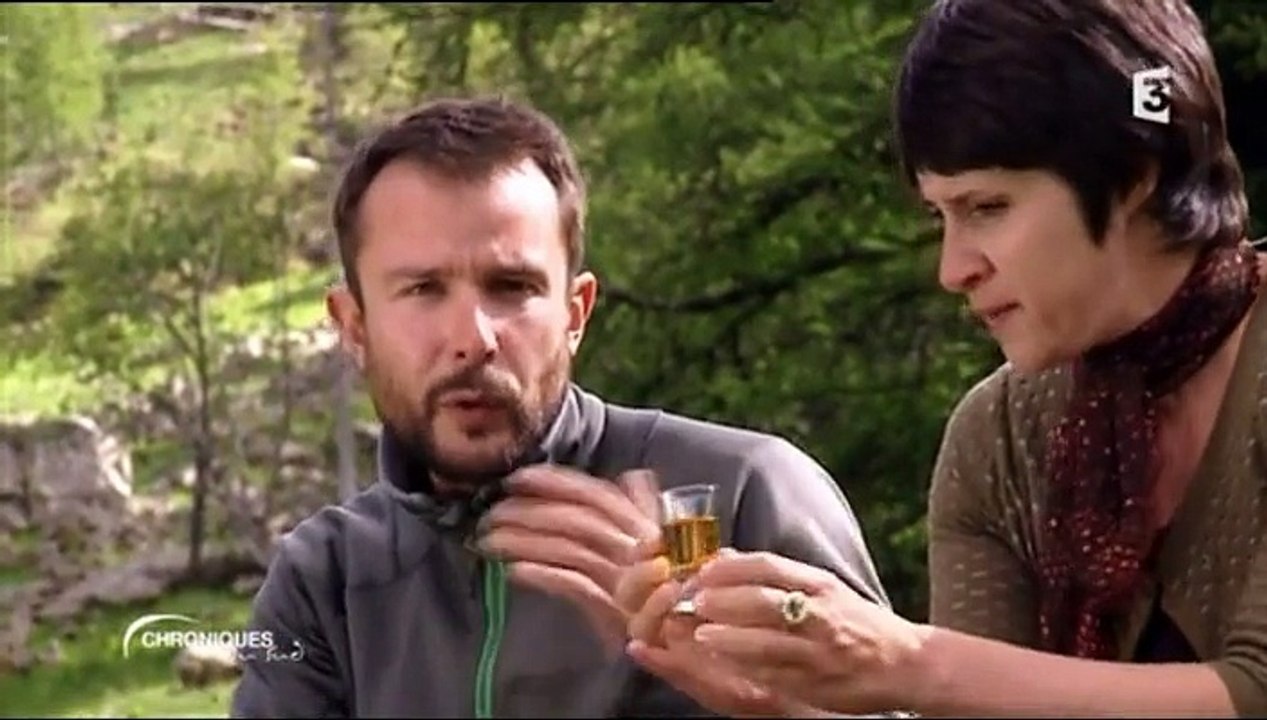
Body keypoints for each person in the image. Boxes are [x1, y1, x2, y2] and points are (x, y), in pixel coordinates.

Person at [614, 0, 1267, 717]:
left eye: (986, 207)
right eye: (939, 216)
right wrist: (793, 701)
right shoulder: (997, 436)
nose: (952, 269)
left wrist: (907, 660)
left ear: (1132, 174)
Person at [228, 95, 891, 718]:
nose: (472, 340)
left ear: (576, 313)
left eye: (511, 286)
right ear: (353, 326)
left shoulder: (736, 494)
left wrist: (753, 699)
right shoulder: (325, 581)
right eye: (424, 289)